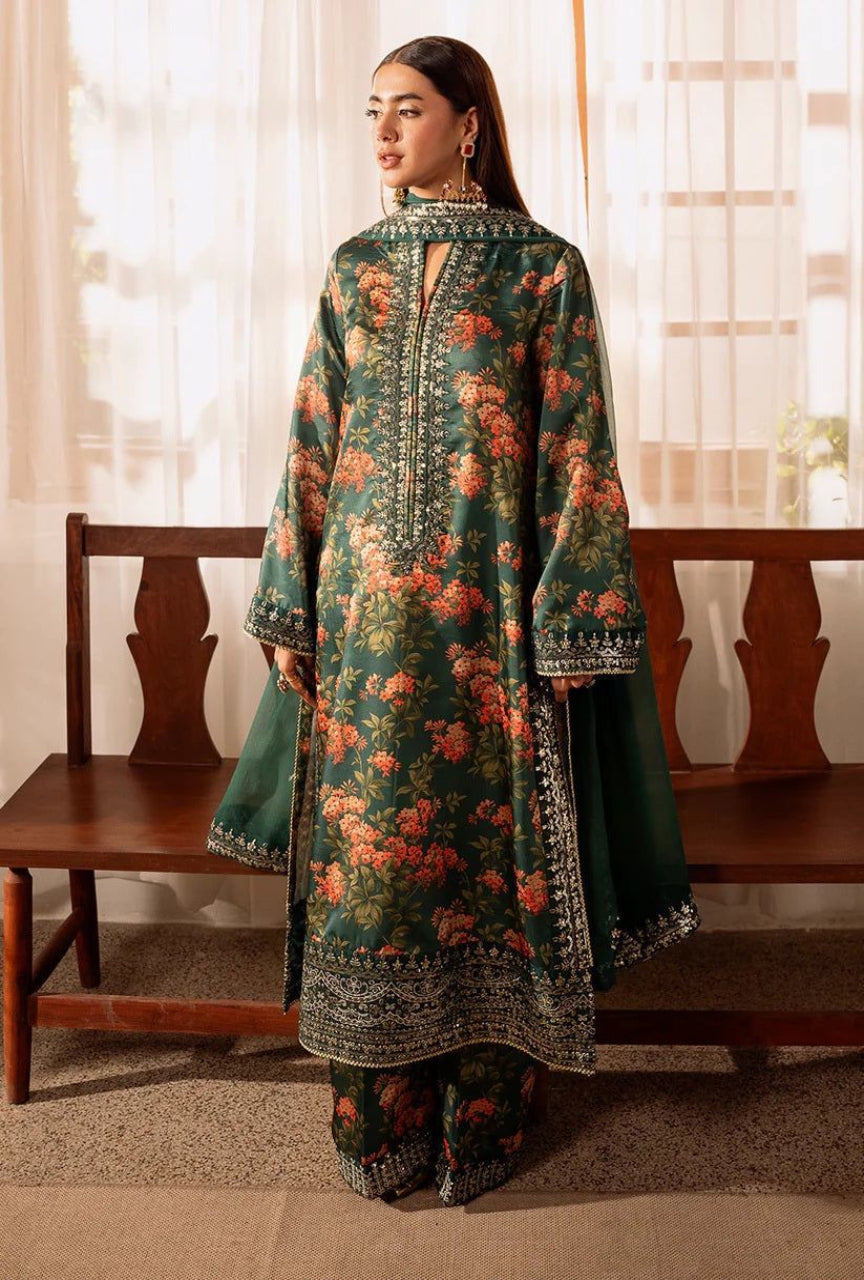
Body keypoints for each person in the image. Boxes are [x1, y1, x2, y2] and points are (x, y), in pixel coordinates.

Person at [205, 34, 701, 1207]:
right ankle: (376, 1117)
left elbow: (581, 452)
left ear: (467, 123)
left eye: (408, 109)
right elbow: (311, 440)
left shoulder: (545, 271)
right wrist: (290, 602)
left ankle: (483, 1116)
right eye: (373, 110)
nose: (382, 131)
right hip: (366, 629)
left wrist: (570, 617)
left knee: (489, 868)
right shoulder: (353, 270)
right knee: (373, 872)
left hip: (494, 637)